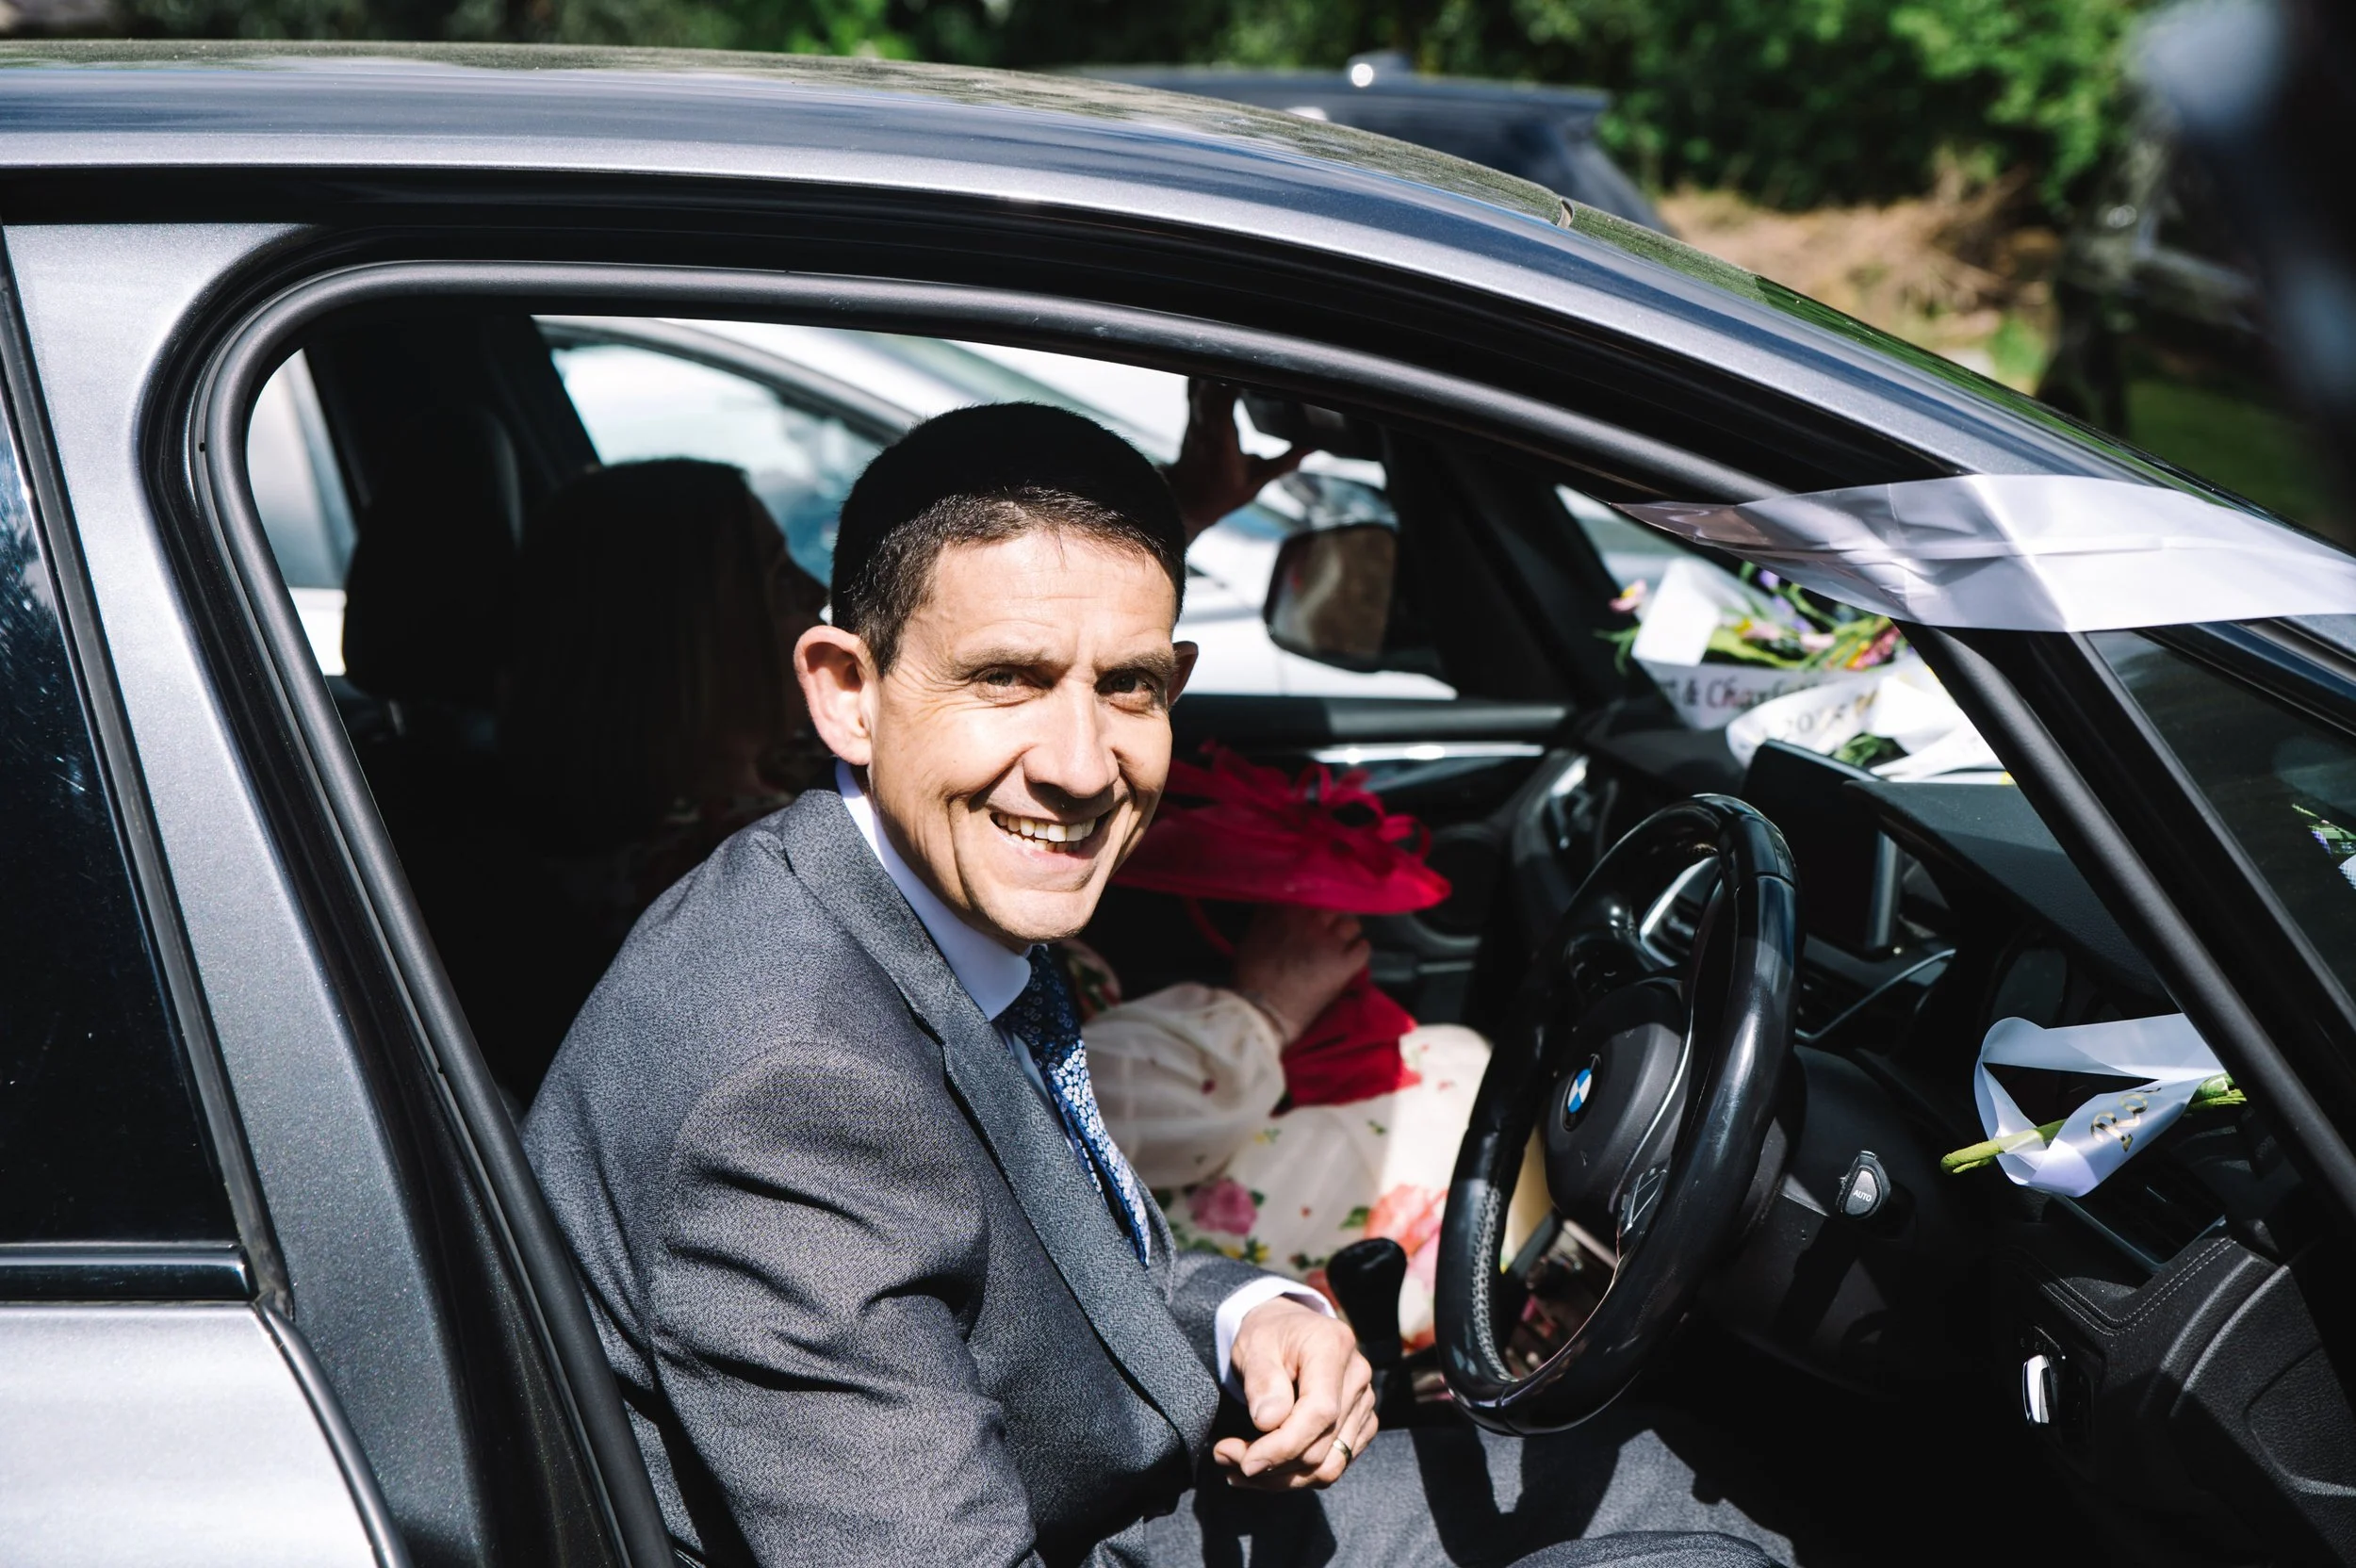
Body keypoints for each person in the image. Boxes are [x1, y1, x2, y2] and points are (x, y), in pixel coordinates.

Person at [521, 401, 1787, 1568]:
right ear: (848, 693)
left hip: (1089, 1486)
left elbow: (1050, 1252)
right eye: (1006, 679)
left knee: (1670, 1482)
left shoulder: (890, 900)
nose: (1082, 766)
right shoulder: (795, 1090)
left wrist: (1254, 1315)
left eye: (1127, 686)